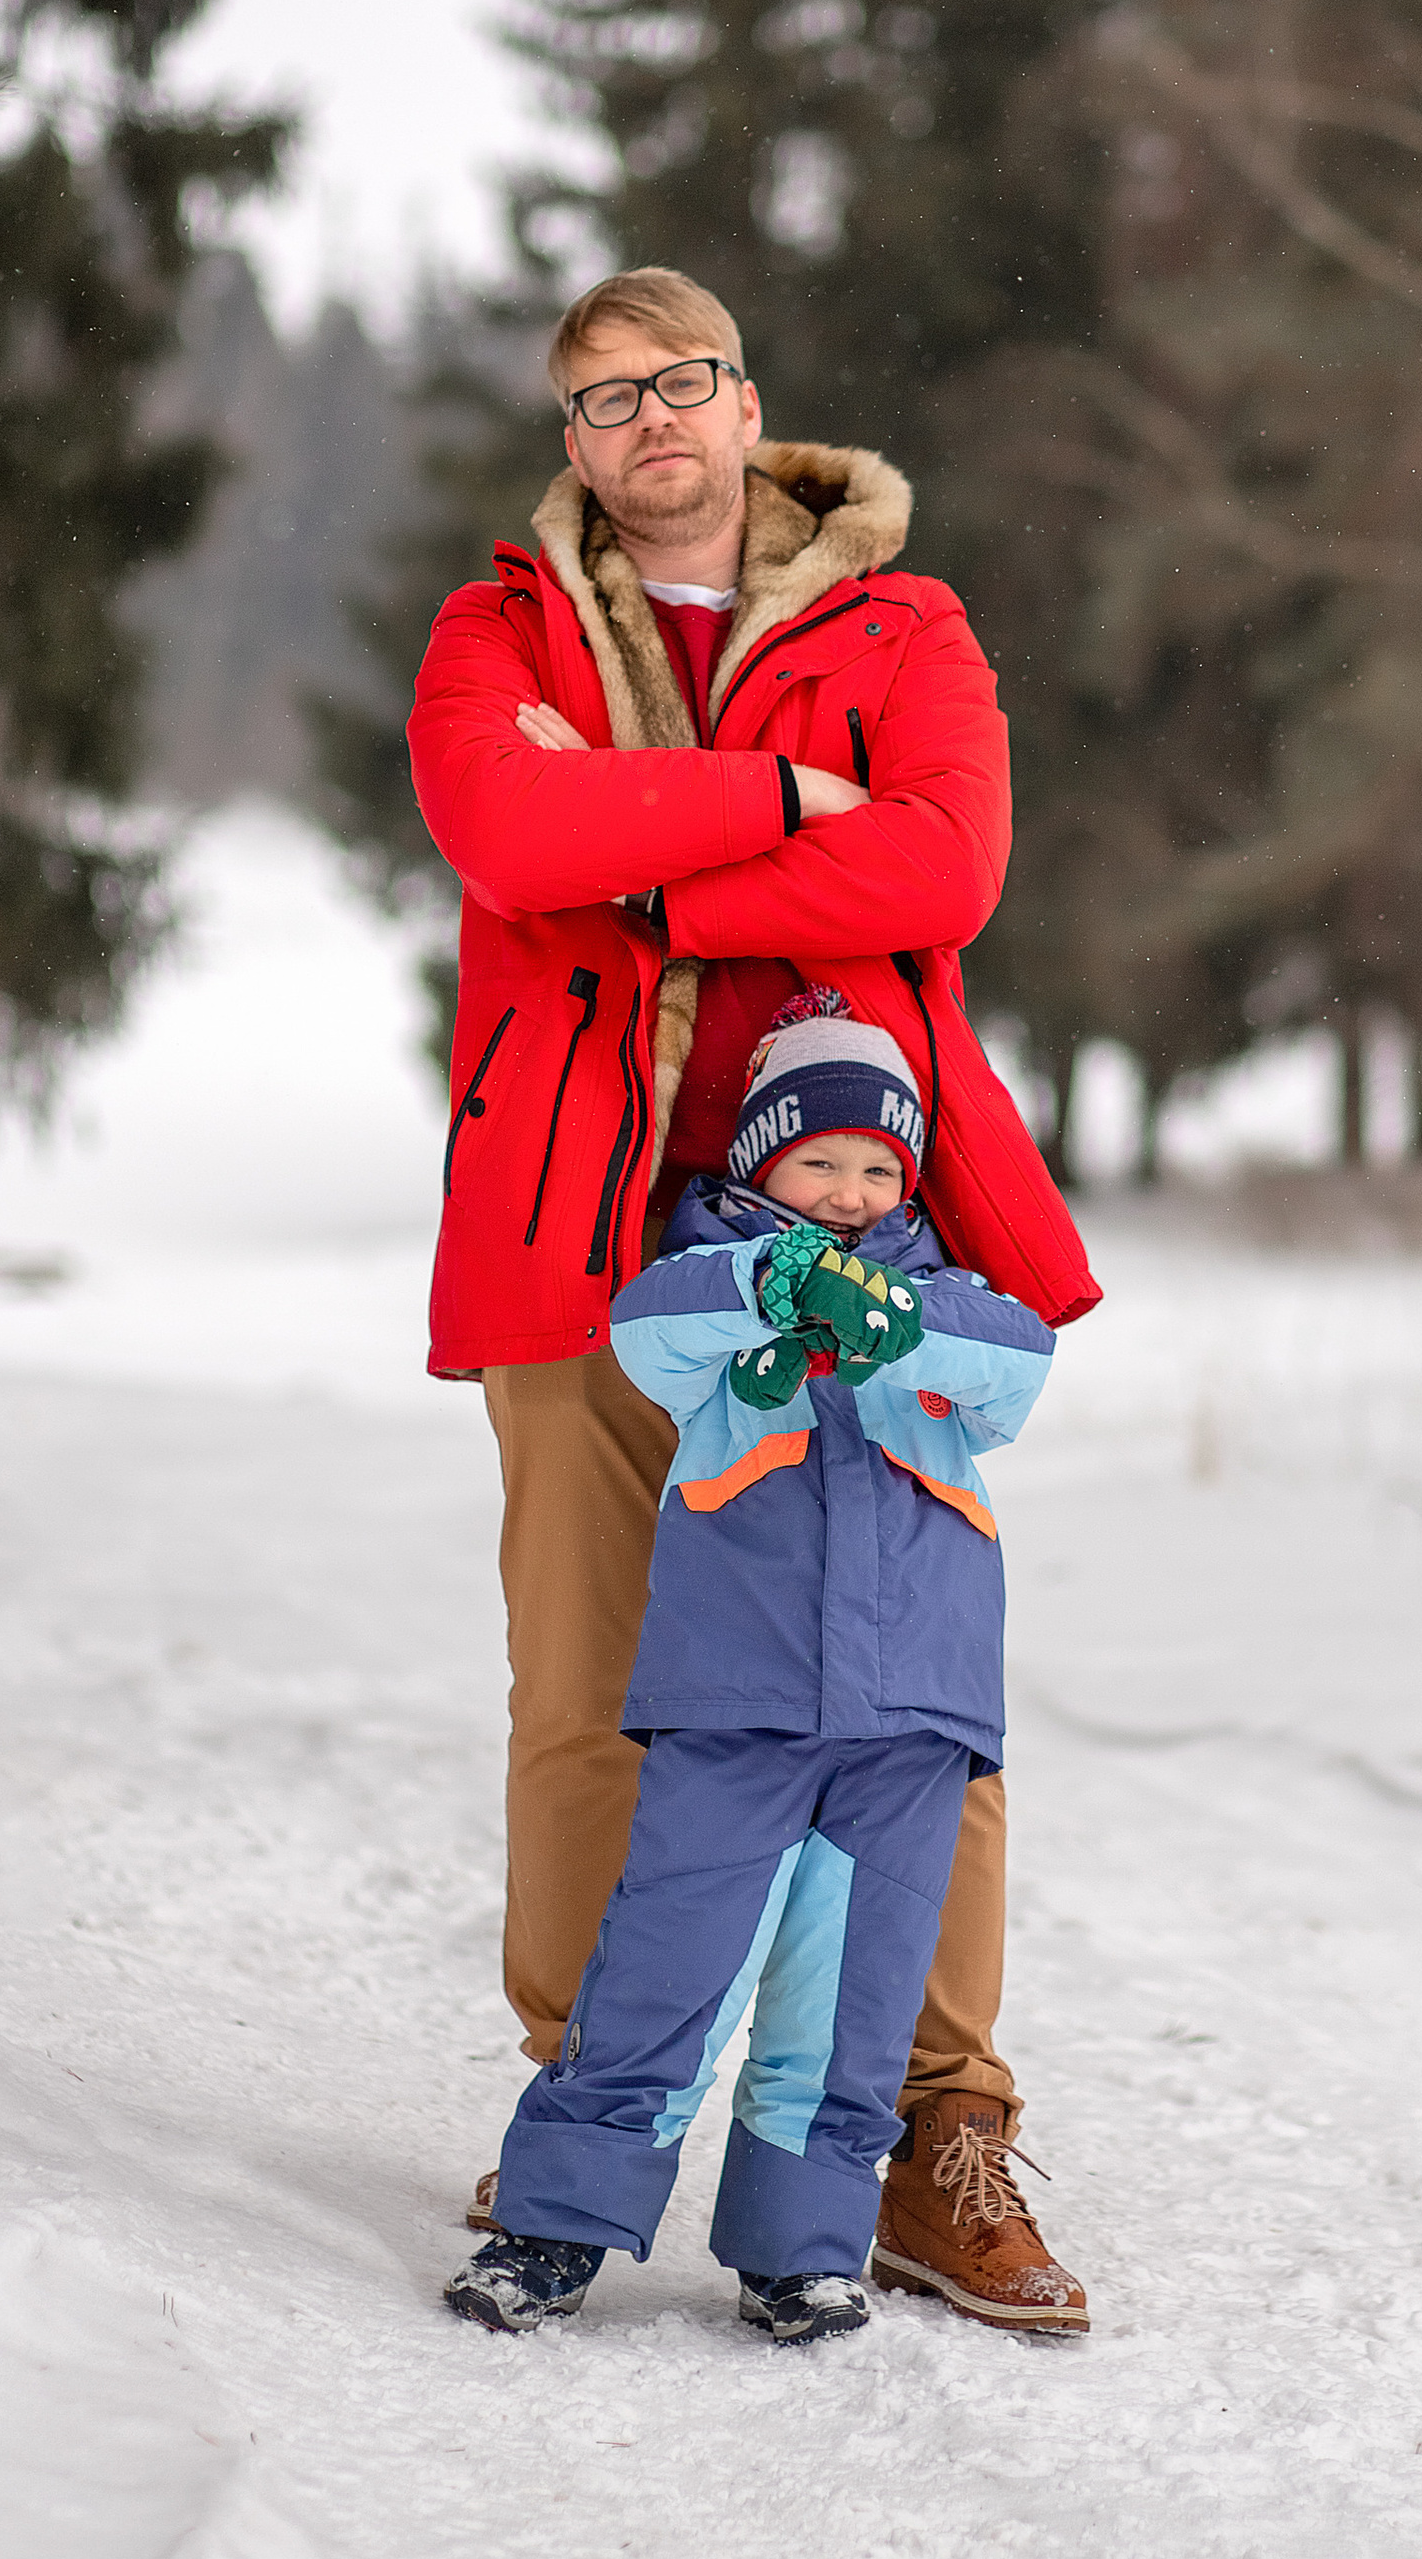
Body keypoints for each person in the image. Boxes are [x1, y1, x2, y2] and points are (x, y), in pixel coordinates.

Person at [408, 265, 1100, 2331]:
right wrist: (803, 807)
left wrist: (640, 862)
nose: (647, 424)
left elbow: (943, 873)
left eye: (679, 382)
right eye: (601, 398)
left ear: (747, 404)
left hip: (880, 1234)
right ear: (572, 442)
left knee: (913, 1717)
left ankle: (927, 2134)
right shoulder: (493, 632)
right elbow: (498, 826)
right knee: (588, 1698)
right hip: (584, 1235)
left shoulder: (908, 625)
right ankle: (581, 2104)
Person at [446, 995, 1064, 2343]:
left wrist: (898, 1323)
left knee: (848, 2003)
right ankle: (555, 2224)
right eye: (819, 1164)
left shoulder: (950, 1303)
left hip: (910, 1718)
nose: (850, 1194)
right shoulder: (713, 1296)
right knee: (668, 1969)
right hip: (739, 1705)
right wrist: (769, 1285)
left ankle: (803, 2246)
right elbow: (647, 1328)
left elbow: (1018, 1363)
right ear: (760, 1166)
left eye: (879, 1169)